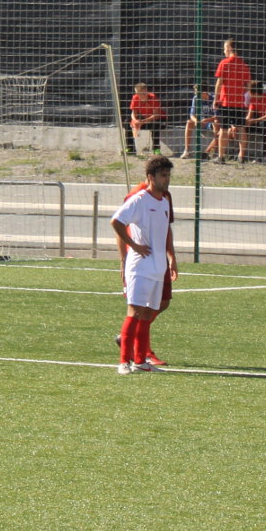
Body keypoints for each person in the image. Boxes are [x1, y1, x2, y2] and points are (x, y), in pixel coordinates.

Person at [110, 156, 178, 375]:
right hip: (140, 266)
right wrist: (133, 245)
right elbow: (116, 221)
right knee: (135, 311)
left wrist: (170, 258)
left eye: (168, 175)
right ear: (151, 177)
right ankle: (124, 362)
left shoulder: (164, 201)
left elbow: (165, 231)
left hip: (158, 267)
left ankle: (140, 362)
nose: (167, 179)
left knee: (148, 313)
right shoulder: (139, 199)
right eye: (163, 175)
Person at [213, 38, 251, 164]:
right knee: (241, 128)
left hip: (226, 101)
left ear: (229, 48)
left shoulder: (224, 63)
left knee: (223, 129)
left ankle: (221, 156)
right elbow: (247, 85)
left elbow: (219, 82)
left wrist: (216, 98)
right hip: (239, 102)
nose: (224, 51)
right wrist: (244, 96)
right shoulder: (244, 65)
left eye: (225, 48)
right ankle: (241, 155)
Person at [180, 84, 217, 159]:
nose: (196, 94)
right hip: (201, 121)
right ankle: (187, 151)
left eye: (197, 92)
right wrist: (197, 121)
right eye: (195, 92)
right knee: (189, 122)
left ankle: (210, 152)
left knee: (216, 123)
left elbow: (218, 115)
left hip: (211, 121)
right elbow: (192, 114)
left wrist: (207, 120)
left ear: (204, 92)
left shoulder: (213, 98)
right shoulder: (196, 98)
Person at [129, 82, 166, 155]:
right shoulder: (135, 98)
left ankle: (156, 149)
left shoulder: (153, 97)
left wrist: (143, 121)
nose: (143, 95)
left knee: (155, 125)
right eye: (141, 94)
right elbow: (133, 113)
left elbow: (156, 115)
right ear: (137, 93)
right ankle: (130, 148)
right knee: (127, 123)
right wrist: (135, 121)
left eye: (145, 93)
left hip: (157, 118)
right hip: (144, 118)